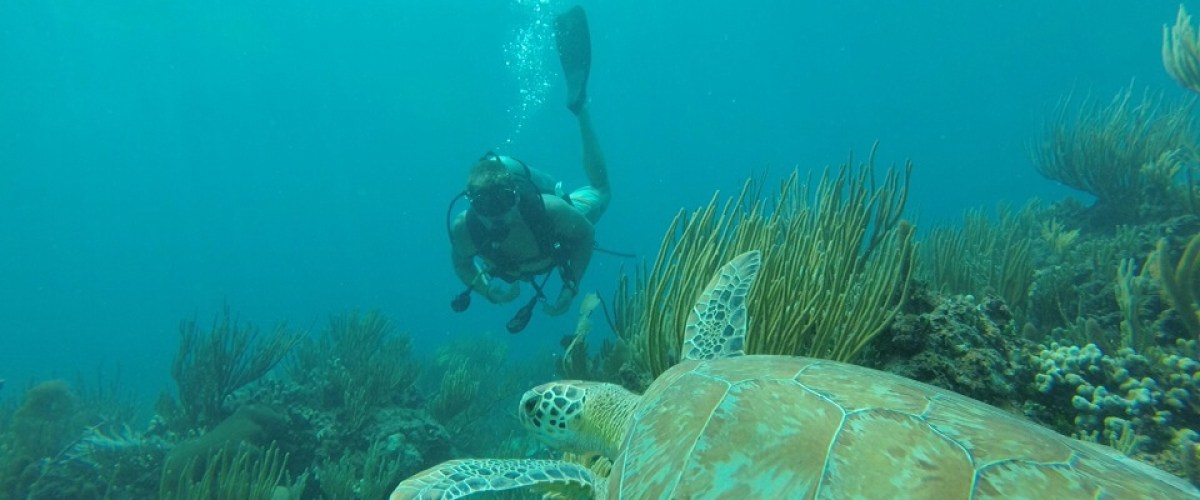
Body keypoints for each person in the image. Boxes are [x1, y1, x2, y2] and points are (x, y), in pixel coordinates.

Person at [447, 6, 608, 333]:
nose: (496, 216)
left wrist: (570, 287)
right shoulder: (466, 230)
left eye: (503, 202)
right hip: (531, 260)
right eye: (484, 207)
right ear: (471, 204)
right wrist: (486, 290)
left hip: (559, 216)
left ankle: (581, 110)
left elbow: (586, 236)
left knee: (603, 191)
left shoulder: (551, 211)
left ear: (516, 196)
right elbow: (462, 263)